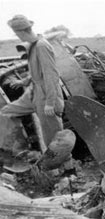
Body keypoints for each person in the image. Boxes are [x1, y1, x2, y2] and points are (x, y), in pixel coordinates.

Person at [2, 15, 64, 149]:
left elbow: (51, 75)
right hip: (33, 93)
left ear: (21, 32)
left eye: (16, 33)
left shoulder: (42, 46)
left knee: (54, 138)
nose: (17, 36)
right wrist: (24, 81)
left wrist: (50, 103)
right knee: (5, 111)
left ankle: (67, 168)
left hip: (46, 96)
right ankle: (17, 147)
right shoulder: (34, 45)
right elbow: (38, 69)